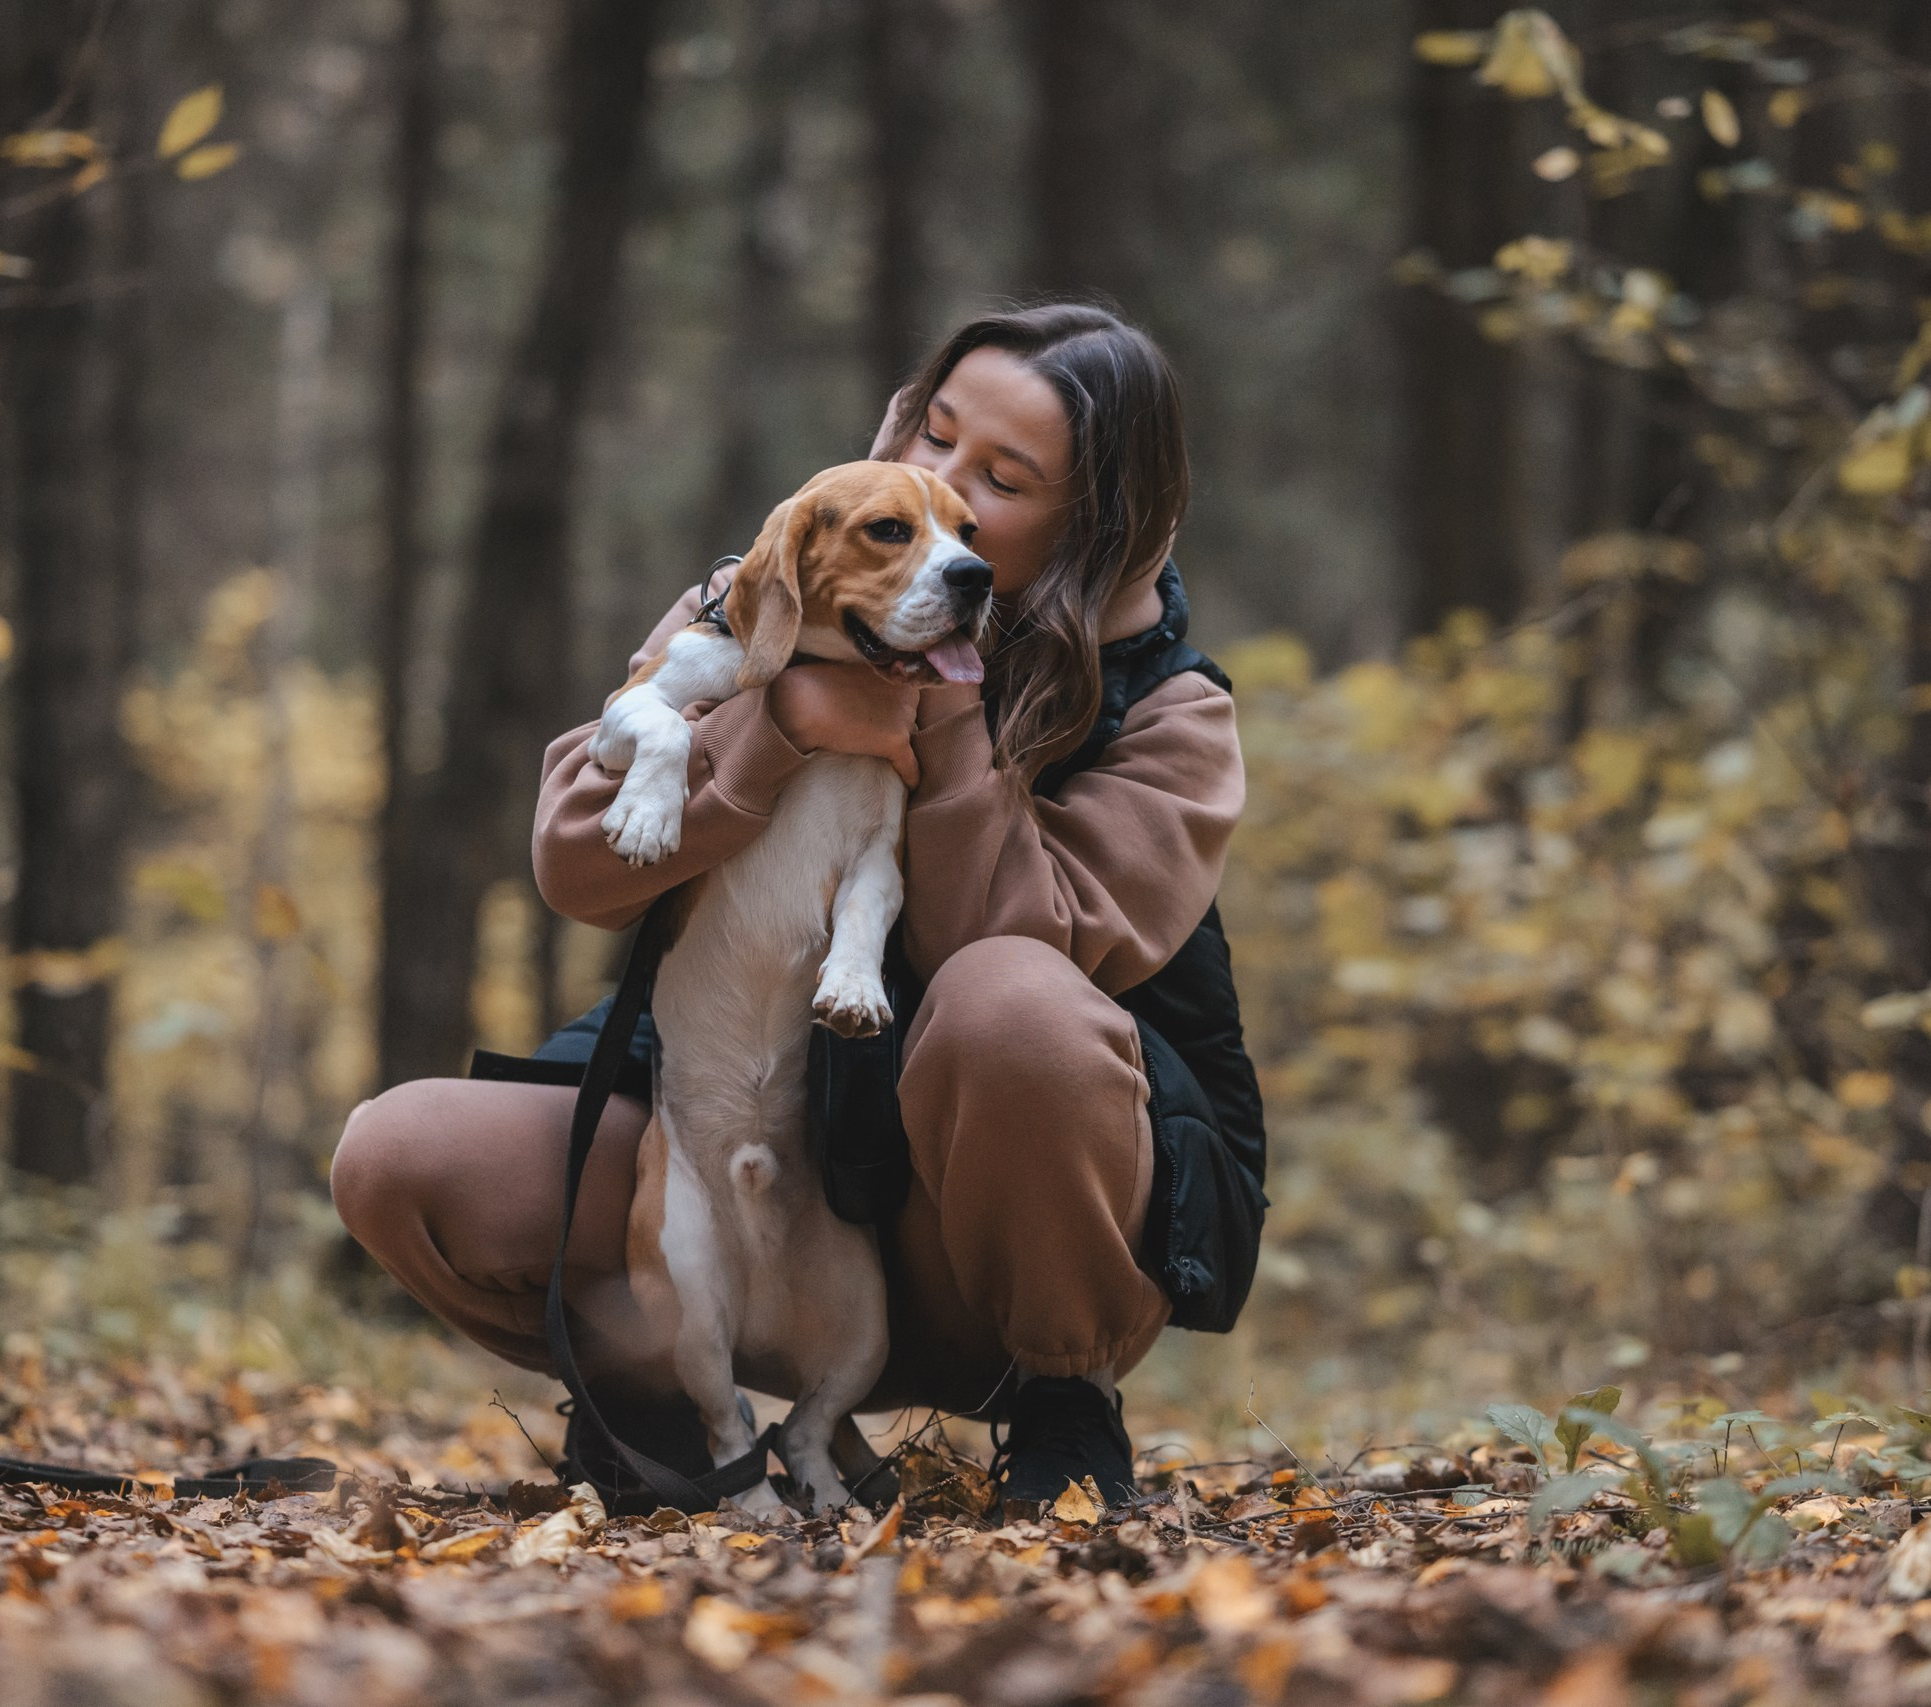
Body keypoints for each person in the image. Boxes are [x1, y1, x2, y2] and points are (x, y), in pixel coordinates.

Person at [331, 301, 1265, 1511]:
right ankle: (667, 1402)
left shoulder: (1174, 718)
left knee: (1010, 1006)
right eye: (931, 432)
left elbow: (1014, 941)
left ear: (1100, 531)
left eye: (1002, 478)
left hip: (973, 1249)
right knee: (399, 1155)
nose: (938, 480)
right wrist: (777, 728)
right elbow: (576, 862)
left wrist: (932, 698)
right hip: (743, 1165)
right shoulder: (770, 589)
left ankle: (1061, 1405)